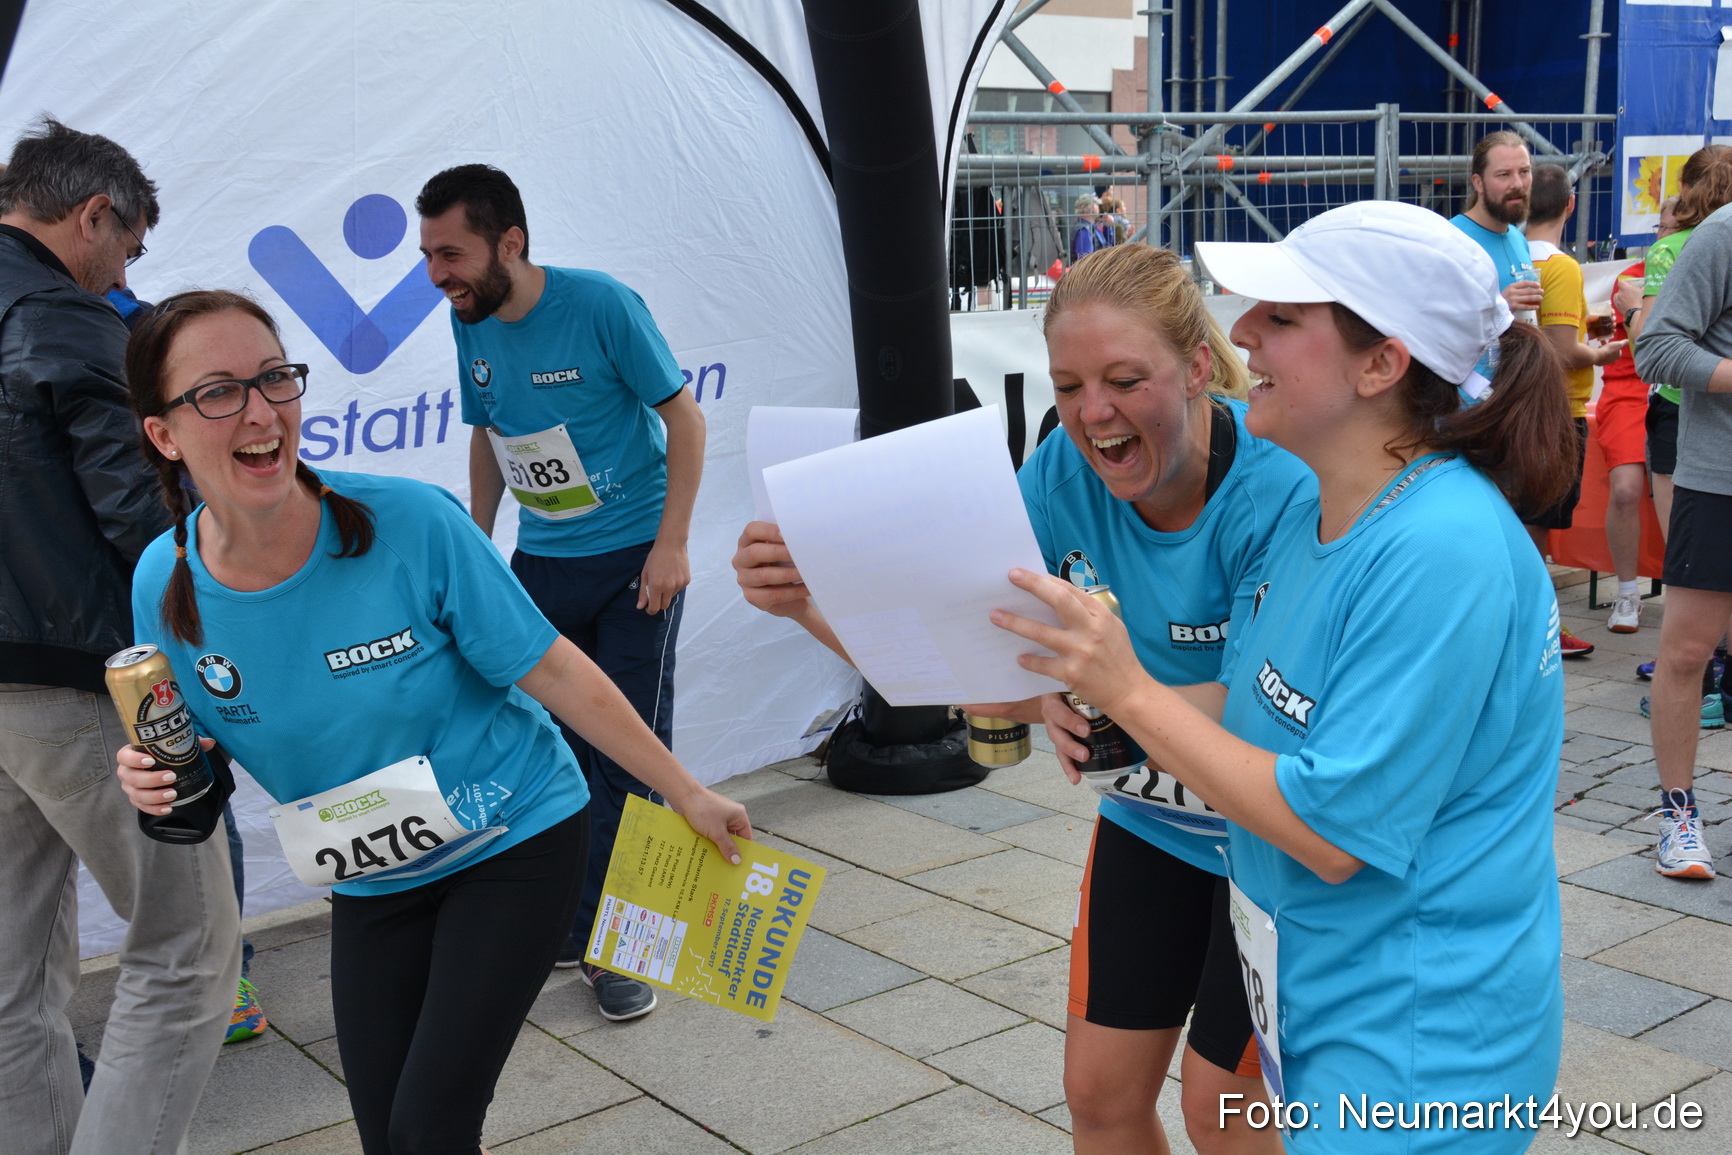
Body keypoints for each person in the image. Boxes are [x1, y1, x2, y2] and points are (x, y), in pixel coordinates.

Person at [114, 290, 751, 1154]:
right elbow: (196, 744)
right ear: (163, 433)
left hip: (513, 840)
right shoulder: (164, 580)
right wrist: (156, 778)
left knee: (428, 1128)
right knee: (391, 1138)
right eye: (219, 391)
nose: (260, 412)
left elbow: (554, 667)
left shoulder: (410, 523)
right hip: (372, 877)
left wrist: (686, 792)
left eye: (274, 378)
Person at [993, 201, 1572, 1151]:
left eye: (1285, 315)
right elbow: (1253, 711)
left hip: (1414, 1050)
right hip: (1326, 1002)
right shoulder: (1325, 516)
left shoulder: (1441, 548)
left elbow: (1336, 831)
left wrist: (1126, 688)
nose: (1244, 330)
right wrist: (1090, 696)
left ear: (1381, 364)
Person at [736, 243, 1314, 1154]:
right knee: (1098, 1095)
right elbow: (974, 674)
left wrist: (1108, 692)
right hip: (1154, 825)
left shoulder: (1280, 487)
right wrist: (808, 601)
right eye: (1069, 385)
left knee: (1223, 1108)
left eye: (1125, 380)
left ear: (1199, 367)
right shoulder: (1057, 473)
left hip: (1272, 840)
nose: (1093, 413)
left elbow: (1260, 713)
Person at [0, 117, 240, 1155]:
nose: (123, 277)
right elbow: (145, 524)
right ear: (95, 215)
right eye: (128, 250)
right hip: (90, 683)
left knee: (9, 983)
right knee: (187, 952)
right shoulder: (69, 322)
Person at [417, 164, 706, 1021]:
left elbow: (684, 419)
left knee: (633, 757)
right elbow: (488, 434)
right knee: (555, 756)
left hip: (633, 565)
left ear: (510, 242)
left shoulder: (601, 305)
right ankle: (576, 925)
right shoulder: (469, 317)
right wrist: (478, 544)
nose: (436, 274)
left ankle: (631, 947)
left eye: (451, 253)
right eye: (428, 255)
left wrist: (672, 545)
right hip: (542, 565)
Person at [1451, 133, 1591, 658]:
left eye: (1524, 173)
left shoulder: (1515, 237)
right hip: (1471, 419)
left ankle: (1518, 638)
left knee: (1519, 534)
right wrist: (1498, 305)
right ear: (1477, 181)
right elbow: (1428, 330)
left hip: (1518, 412)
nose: (1518, 184)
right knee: (1478, 543)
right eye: (1504, 175)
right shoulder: (1453, 240)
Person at [1631, 194, 1732, 879]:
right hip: (1718, 479)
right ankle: (1678, 815)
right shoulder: (1722, 234)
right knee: (1690, 651)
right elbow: (1657, 347)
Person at [1615, 146, 1732, 715]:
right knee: (1691, 616)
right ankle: (1707, 683)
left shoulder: (1674, 245)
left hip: (1684, 418)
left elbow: (1648, 337)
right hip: (1702, 438)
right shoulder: (1712, 239)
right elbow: (1656, 348)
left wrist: (1631, 309)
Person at [1520, 165, 1625, 554]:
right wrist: (1600, 354)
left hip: (1520, 402)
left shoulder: (1512, 255)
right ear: (1571, 205)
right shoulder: (1560, 266)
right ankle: (1532, 594)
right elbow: (1564, 351)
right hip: (1557, 409)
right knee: (1537, 521)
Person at [1596, 196, 1676, 636]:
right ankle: (1628, 593)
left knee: (1689, 502)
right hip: (1631, 390)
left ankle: (1694, 598)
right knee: (1626, 489)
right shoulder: (1631, 279)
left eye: (1677, 228)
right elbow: (1642, 345)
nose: (1667, 237)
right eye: (1663, 228)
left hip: (1677, 391)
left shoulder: (1703, 270)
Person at [1071, 194, 1103, 265]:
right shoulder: (1084, 230)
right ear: (1091, 208)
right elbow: (1085, 260)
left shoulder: (1089, 227)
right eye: (1096, 204)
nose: (1099, 207)